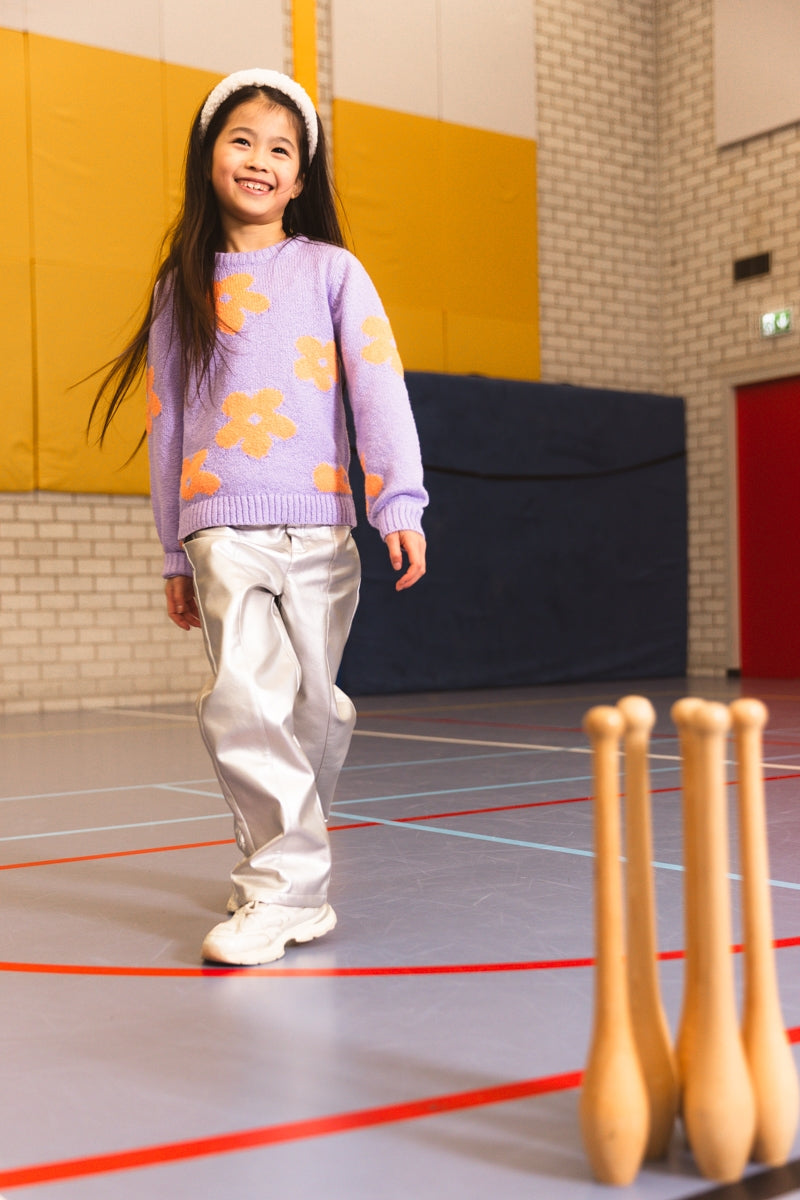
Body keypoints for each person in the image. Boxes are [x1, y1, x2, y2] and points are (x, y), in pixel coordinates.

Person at [89, 68, 427, 966]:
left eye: (281, 149)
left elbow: (378, 386)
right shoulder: (182, 288)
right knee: (244, 699)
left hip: (321, 524)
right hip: (222, 526)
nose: (260, 160)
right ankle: (281, 887)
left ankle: (293, 871)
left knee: (318, 711)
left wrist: (398, 497)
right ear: (209, 159)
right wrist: (173, 547)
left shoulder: (331, 271)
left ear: (301, 176)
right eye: (242, 141)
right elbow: (168, 423)